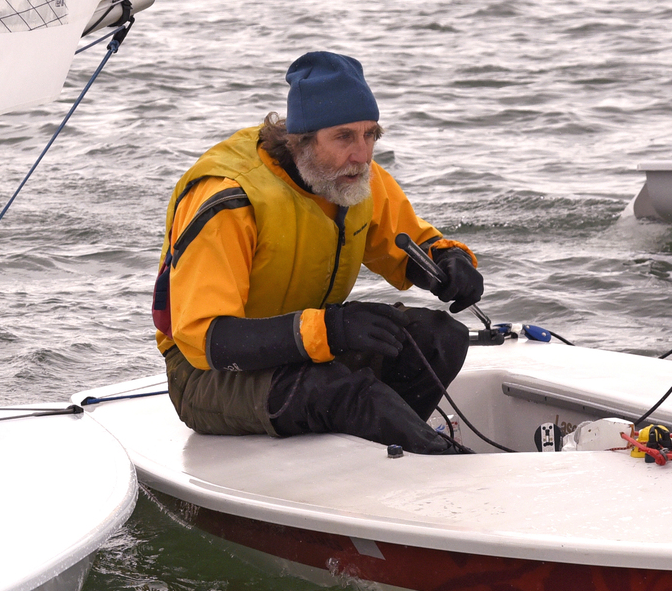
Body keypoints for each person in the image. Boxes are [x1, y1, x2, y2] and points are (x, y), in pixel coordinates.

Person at [152, 51, 483, 455]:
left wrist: (451, 262)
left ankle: (382, 448)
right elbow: (206, 341)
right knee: (345, 394)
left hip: (303, 350)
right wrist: (333, 329)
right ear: (301, 140)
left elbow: (409, 243)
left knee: (440, 339)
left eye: (370, 134)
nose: (362, 154)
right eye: (344, 137)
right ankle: (436, 459)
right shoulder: (230, 200)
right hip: (207, 375)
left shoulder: (350, 177)